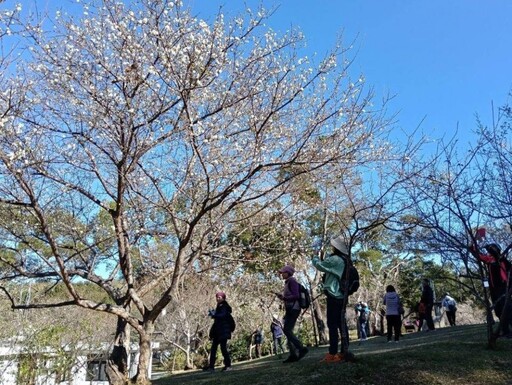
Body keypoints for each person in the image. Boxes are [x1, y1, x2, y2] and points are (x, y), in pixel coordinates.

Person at [311, 235, 347, 363]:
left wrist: (315, 255)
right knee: (341, 324)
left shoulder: (336, 259)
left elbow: (319, 265)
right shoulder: (344, 259)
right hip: (341, 295)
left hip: (334, 294)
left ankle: (333, 354)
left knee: (332, 325)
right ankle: (343, 352)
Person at [276, 265, 309, 363]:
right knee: (287, 331)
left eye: (283, 272)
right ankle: (293, 354)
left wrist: (284, 298)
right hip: (290, 309)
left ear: (288, 273)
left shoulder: (292, 281)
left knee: (287, 330)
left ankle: (301, 349)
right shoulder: (287, 282)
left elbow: (296, 295)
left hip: (294, 309)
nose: (281, 274)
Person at [477, 243, 511, 336]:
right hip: (493, 289)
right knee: (498, 310)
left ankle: (507, 330)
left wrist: (489, 248)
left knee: (507, 308)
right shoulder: (490, 260)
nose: (490, 251)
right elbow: (478, 255)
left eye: (492, 249)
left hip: (503, 287)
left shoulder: (502, 260)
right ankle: (505, 330)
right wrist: (473, 245)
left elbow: (497, 255)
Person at [207, 291, 233, 372]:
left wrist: (214, 315)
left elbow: (222, 315)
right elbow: (216, 322)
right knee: (214, 348)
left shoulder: (224, 306)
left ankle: (228, 365)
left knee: (223, 348)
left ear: (223, 298)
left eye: (219, 297)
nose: (217, 299)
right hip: (218, 331)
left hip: (223, 331)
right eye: (217, 297)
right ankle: (211, 367)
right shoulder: (219, 307)